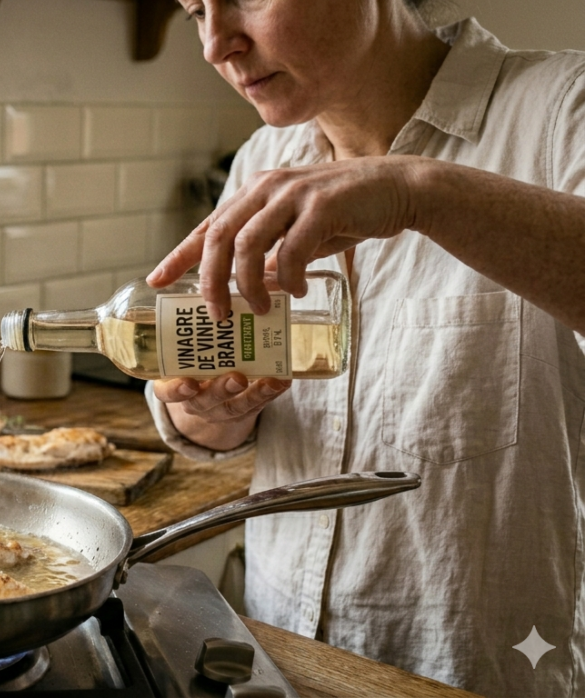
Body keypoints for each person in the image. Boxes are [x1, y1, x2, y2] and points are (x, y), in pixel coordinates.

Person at [144, 1, 585, 696]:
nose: (214, 45)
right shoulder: (263, 160)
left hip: (477, 671)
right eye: (195, 9)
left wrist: (418, 192)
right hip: (276, 657)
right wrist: (214, 410)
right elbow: (224, 402)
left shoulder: (562, 109)